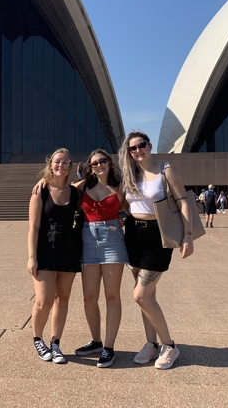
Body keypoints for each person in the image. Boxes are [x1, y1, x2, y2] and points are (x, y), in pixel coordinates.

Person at [119, 131, 194, 370]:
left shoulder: (165, 169)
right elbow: (122, 201)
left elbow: (182, 200)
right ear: (129, 152)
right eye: (133, 148)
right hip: (133, 235)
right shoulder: (130, 174)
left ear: (149, 146)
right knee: (147, 297)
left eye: (142, 145)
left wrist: (188, 235)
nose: (138, 150)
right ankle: (151, 343)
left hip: (158, 235)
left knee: (140, 295)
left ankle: (169, 345)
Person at [73, 150, 127, 368]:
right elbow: (57, 188)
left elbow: (134, 210)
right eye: (94, 163)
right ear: (90, 166)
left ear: (109, 163)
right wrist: (41, 180)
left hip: (112, 240)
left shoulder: (120, 187)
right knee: (89, 297)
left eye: (102, 161)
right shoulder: (82, 185)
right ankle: (96, 341)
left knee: (112, 296)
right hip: (87, 241)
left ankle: (109, 347)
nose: (98, 165)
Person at [27, 148, 81, 364]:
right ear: (51, 164)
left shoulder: (76, 192)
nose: (61, 165)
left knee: (63, 298)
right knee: (44, 300)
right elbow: (33, 226)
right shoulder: (41, 191)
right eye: (57, 162)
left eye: (65, 162)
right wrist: (32, 257)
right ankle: (38, 339)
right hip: (45, 248)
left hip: (69, 248)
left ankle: (56, 343)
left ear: (70, 166)